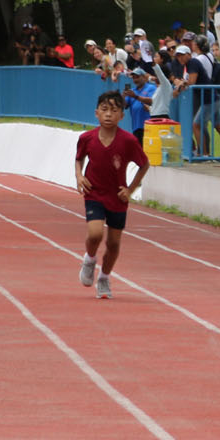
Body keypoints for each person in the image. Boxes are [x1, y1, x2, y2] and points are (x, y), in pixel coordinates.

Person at [75, 90, 150, 299]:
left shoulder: (128, 141)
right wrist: (79, 176)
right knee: (95, 234)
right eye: (105, 110)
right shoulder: (87, 138)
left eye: (114, 110)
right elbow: (79, 158)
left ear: (122, 116)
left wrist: (130, 189)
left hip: (117, 197)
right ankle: (90, 259)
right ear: (96, 113)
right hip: (94, 193)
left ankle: (104, 277)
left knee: (113, 244)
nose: (109, 114)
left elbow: (144, 165)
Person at [122, 68, 155, 136]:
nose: (135, 80)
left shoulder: (151, 88)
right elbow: (125, 105)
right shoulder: (132, 91)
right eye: (133, 78)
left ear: (144, 77)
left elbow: (152, 101)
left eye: (137, 77)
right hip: (136, 127)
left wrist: (135, 96)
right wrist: (123, 96)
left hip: (149, 126)